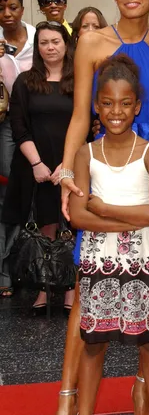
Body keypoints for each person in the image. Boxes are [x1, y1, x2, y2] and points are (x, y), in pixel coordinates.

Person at [41, 0, 149, 415]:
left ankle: (146, 401)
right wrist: (66, 176)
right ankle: (68, 407)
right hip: (104, 171)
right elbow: (81, 116)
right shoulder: (92, 43)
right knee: (89, 299)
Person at [3, 21, 75, 313]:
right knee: (45, 226)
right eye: (44, 43)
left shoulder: (78, 79)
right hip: (38, 166)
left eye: (55, 41)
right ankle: (43, 289)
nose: (50, 48)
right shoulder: (25, 81)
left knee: (72, 228)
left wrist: (67, 165)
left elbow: (84, 124)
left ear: (66, 45)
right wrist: (37, 163)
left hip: (70, 162)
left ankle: (71, 290)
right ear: (38, 47)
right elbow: (18, 127)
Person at [0, 0, 35, 298]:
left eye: (12, 7)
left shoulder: (39, 37)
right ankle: (7, 268)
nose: (7, 13)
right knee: (10, 192)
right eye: (1, 8)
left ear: (22, 8)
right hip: (7, 124)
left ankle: (34, 262)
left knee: (32, 194)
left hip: (36, 121)